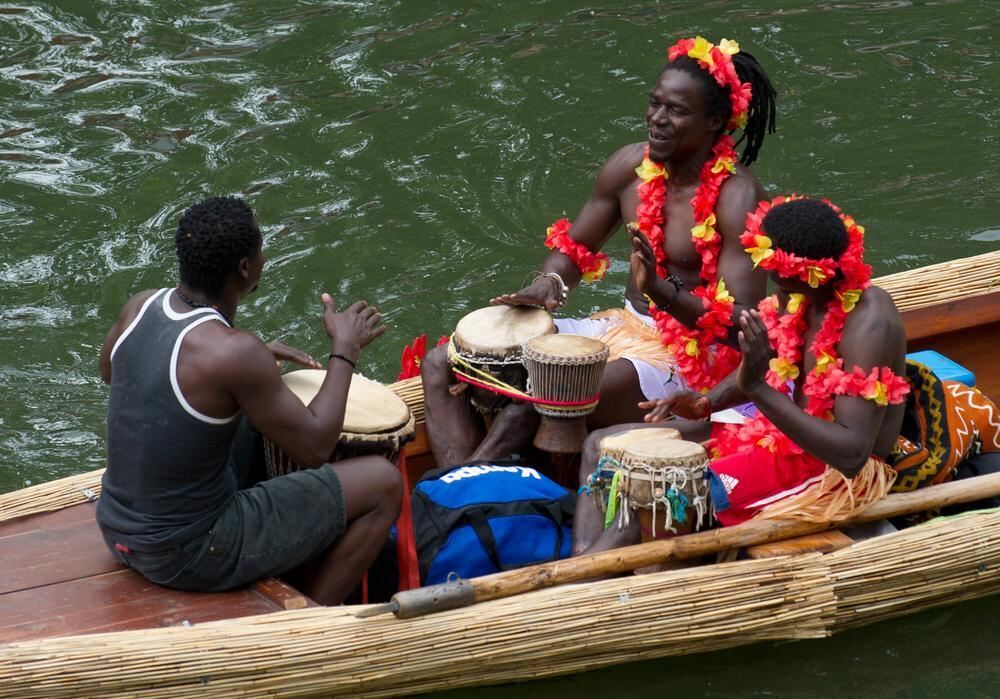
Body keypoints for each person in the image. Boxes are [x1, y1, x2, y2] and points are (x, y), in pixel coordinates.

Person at [96, 196, 402, 605]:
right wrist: (344, 350)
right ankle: (307, 624)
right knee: (384, 484)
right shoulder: (235, 354)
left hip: (117, 529)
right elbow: (314, 448)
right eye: (259, 248)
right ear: (244, 267)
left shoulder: (140, 306)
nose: (262, 256)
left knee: (242, 418)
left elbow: (114, 373)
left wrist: (239, 370)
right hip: (188, 553)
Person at [575, 196, 913, 553]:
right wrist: (707, 401)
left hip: (833, 474)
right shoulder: (799, 294)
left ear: (793, 268)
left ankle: (574, 590)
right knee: (603, 445)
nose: (758, 266)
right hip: (773, 435)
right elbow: (745, 345)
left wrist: (755, 389)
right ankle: (580, 558)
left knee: (662, 491)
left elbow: (850, 453)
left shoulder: (868, 323)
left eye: (764, 258)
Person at [489, 36, 778, 427]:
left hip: (693, 354)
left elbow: (740, 326)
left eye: (676, 110)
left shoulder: (737, 197)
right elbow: (576, 246)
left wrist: (663, 292)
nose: (657, 118)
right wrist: (549, 283)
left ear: (714, 122)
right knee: (458, 360)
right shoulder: (629, 165)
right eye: (655, 102)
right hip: (624, 325)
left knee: (556, 392)